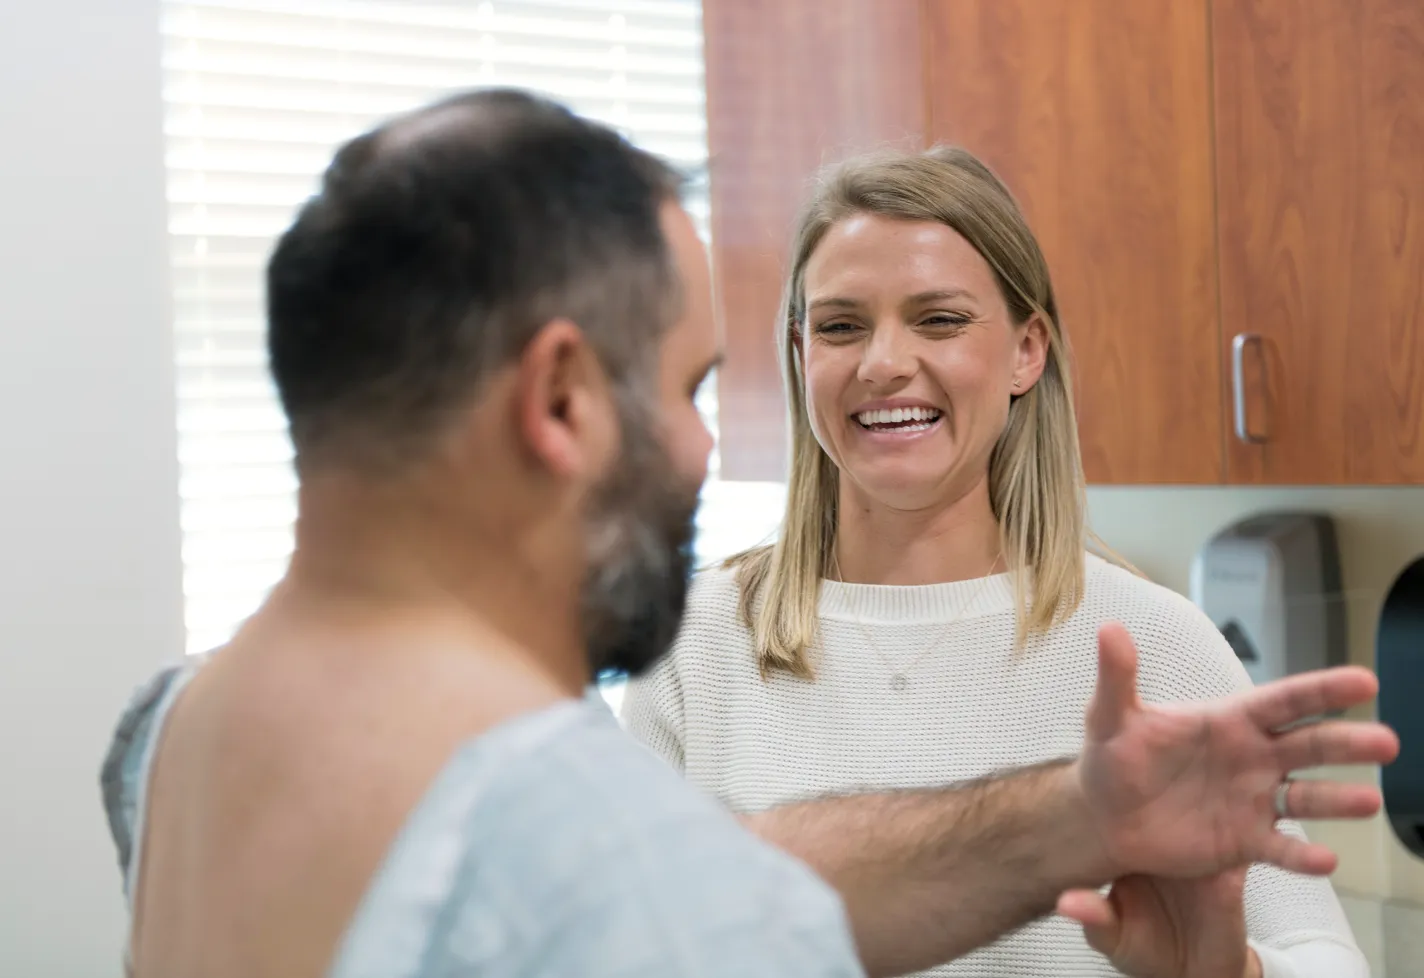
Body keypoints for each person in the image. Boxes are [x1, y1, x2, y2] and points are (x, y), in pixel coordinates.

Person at [98, 92, 1397, 978]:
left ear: (1026, 351)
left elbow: (724, 873)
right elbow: (712, 890)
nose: (702, 445)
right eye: (686, 386)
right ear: (558, 400)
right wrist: (1080, 818)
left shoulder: (170, 732)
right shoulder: (539, 811)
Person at [623, 146, 1381, 978]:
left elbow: (1328, 961)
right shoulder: (698, 644)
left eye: (939, 320)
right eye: (841, 326)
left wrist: (1228, 971)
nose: (883, 363)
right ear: (801, 352)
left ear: (1027, 350)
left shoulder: (1149, 646)